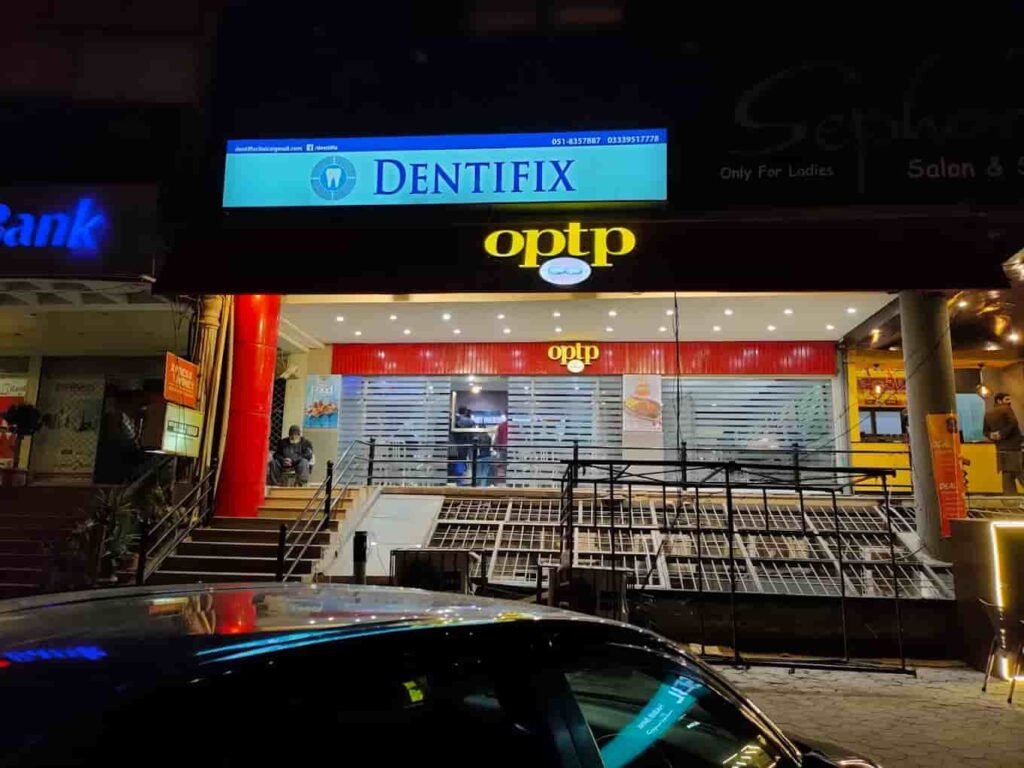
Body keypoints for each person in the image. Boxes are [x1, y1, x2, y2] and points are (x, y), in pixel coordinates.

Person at [983, 392, 1023, 494]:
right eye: (1007, 399)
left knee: (1007, 476)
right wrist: (1001, 433)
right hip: (1014, 448)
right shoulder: (1006, 409)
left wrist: (992, 435)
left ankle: (1010, 499)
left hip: (1001, 449)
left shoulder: (988, 413)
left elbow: (985, 431)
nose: (1009, 402)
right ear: (999, 401)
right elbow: (1013, 423)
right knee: (1020, 472)